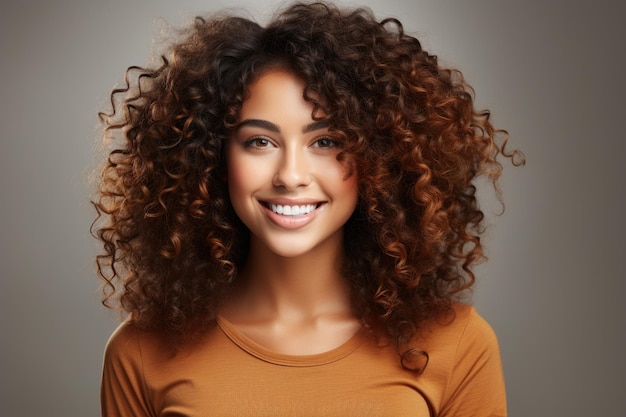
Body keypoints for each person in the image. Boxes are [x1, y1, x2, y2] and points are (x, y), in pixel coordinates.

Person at [92, 1, 523, 416]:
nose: (291, 175)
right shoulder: (141, 353)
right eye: (259, 141)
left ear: (379, 160)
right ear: (214, 160)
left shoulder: (457, 343)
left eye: (326, 141)